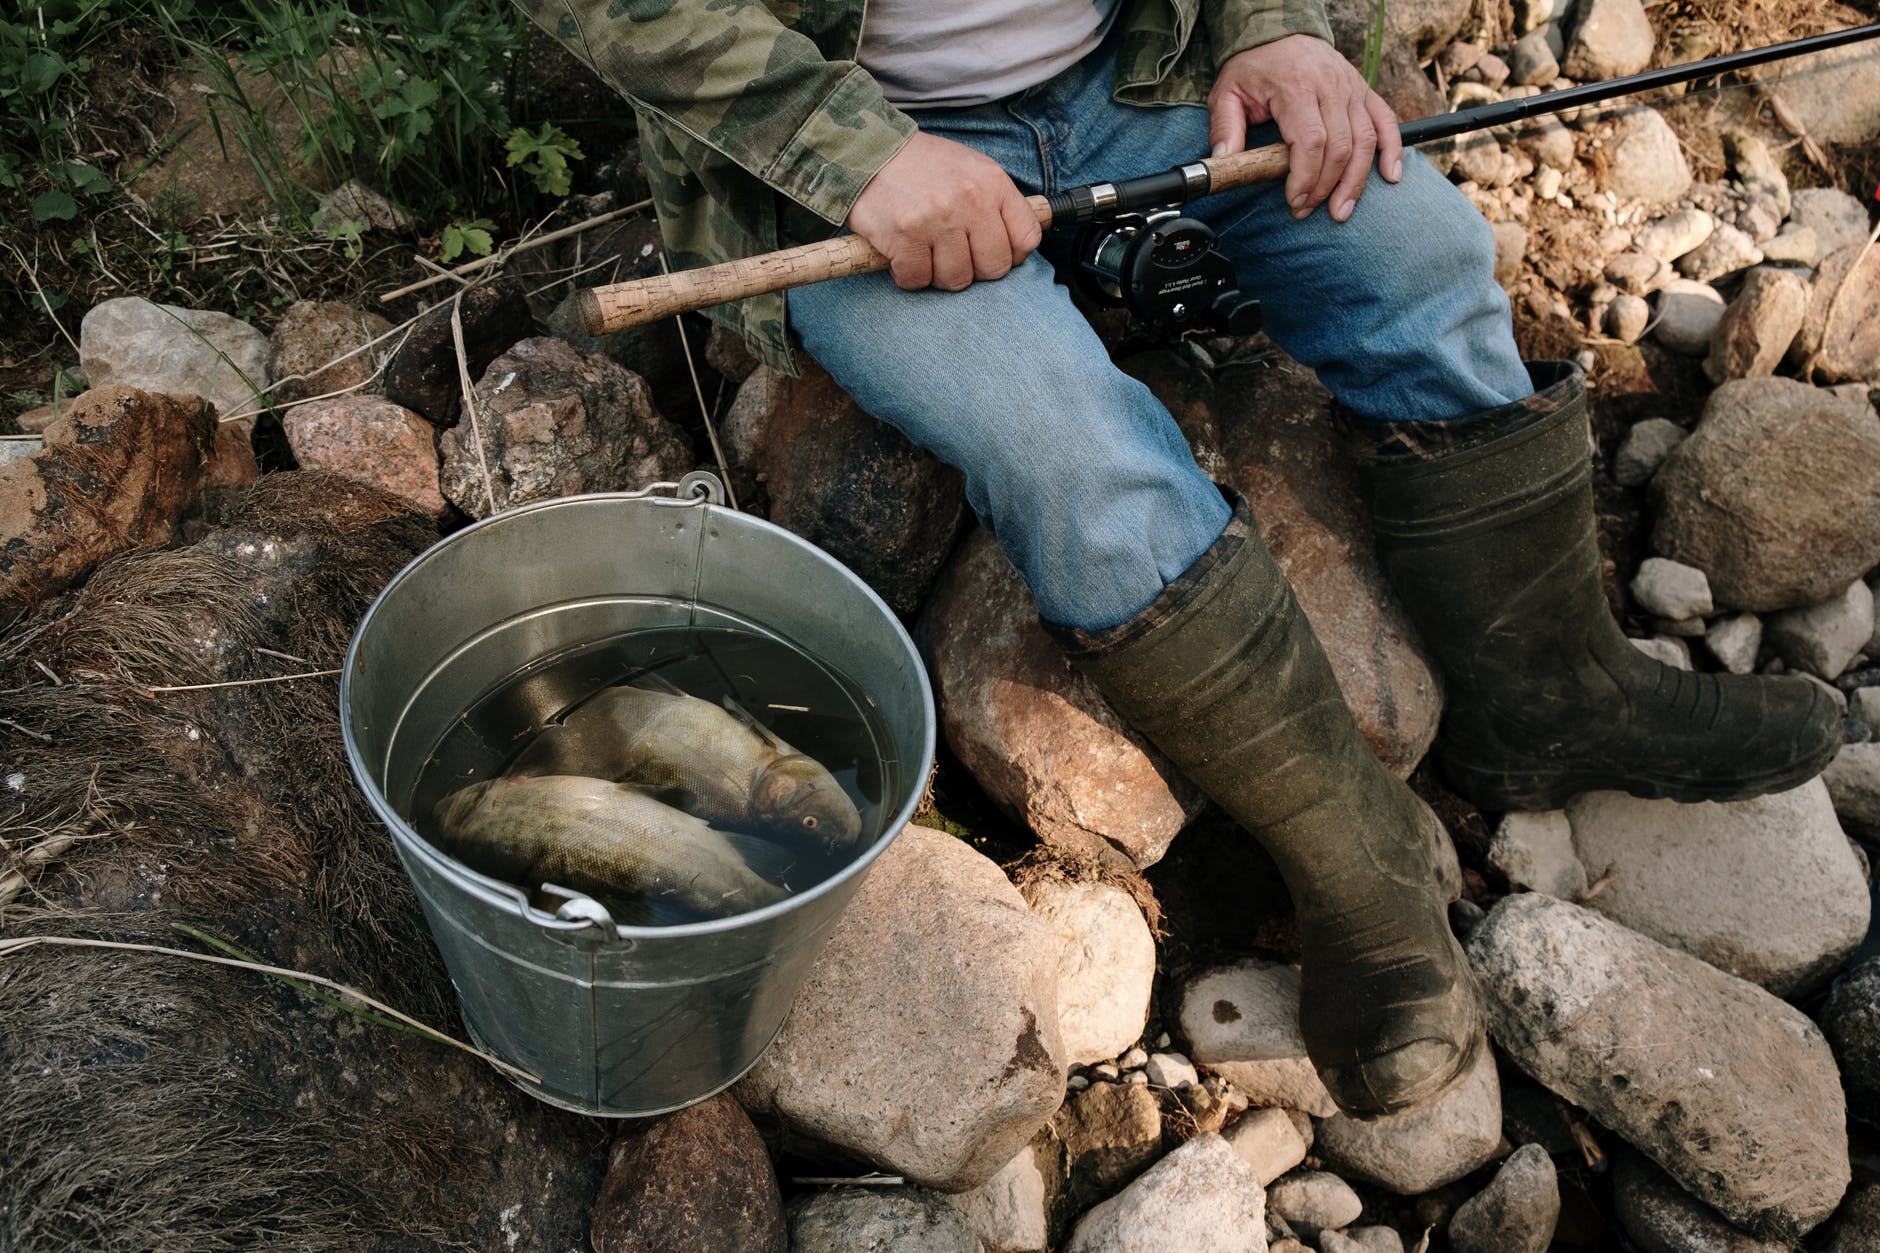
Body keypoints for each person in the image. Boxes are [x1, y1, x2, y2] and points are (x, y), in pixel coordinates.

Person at [523, 0, 1842, 1116]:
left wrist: (1273, 30)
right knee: (1073, 452)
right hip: (863, 161)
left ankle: (1552, 696)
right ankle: (1353, 856)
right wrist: (852, 153)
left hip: (1148, 82)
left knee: (1421, 255)